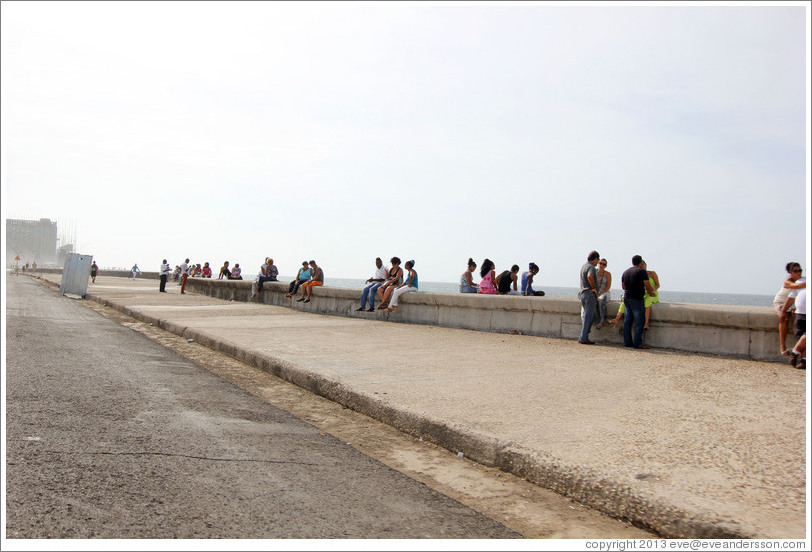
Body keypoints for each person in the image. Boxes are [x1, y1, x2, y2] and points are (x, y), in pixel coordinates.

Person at [620, 255, 657, 349]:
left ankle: (627, 342)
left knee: (628, 321)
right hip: (637, 299)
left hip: (627, 298)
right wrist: (650, 293)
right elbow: (647, 285)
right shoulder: (642, 272)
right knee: (640, 321)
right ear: (640, 262)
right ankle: (638, 343)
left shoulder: (626, 272)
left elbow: (623, 287)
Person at [773, 262, 806, 356]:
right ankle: (782, 346)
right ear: (790, 272)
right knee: (784, 318)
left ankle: (800, 348)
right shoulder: (788, 281)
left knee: (796, 322)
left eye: (800, 270)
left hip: (792, 303)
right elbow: (796, 287)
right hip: (781, 302)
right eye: (796, 271)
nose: (799, 273)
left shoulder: (801, 280)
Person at [578, 251, 601, 345]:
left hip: (583, 294)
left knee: (589, 317)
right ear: (595, 259)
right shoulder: (591, 267)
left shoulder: (584, 266)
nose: (598, 262)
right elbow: (590, 276)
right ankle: (583, 338)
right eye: (598, 260)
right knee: (588, 317)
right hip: (589, 294)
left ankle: (584, 336)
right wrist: (594, 288)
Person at [788, 288, 806, 370]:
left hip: (801, 311)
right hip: (801, 312)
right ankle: (798, 355)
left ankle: (802, 360)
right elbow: (791, 296)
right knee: (802, 336)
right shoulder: (800, 282)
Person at [595, 259, 612, 328]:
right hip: (596, 292)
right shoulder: (594, 272)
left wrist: (601, 292)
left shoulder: (608, 274)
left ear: (606, 266)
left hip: (604, 292)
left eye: (604, 264)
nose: (601, 265)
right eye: (600, 263)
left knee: (602, 300)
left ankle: (602, 321)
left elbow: (608, 286)